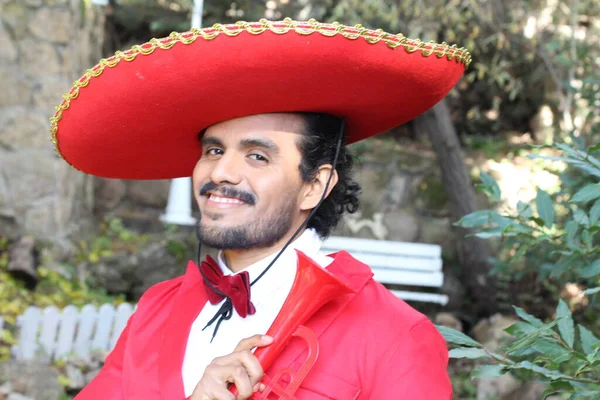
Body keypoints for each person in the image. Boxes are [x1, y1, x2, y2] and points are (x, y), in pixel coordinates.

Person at [51, 18, 471, 400]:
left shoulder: (396, 337)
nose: (221, 172)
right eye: (214, 149)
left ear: (315, 186)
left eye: (257, 156)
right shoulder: (156, 308)